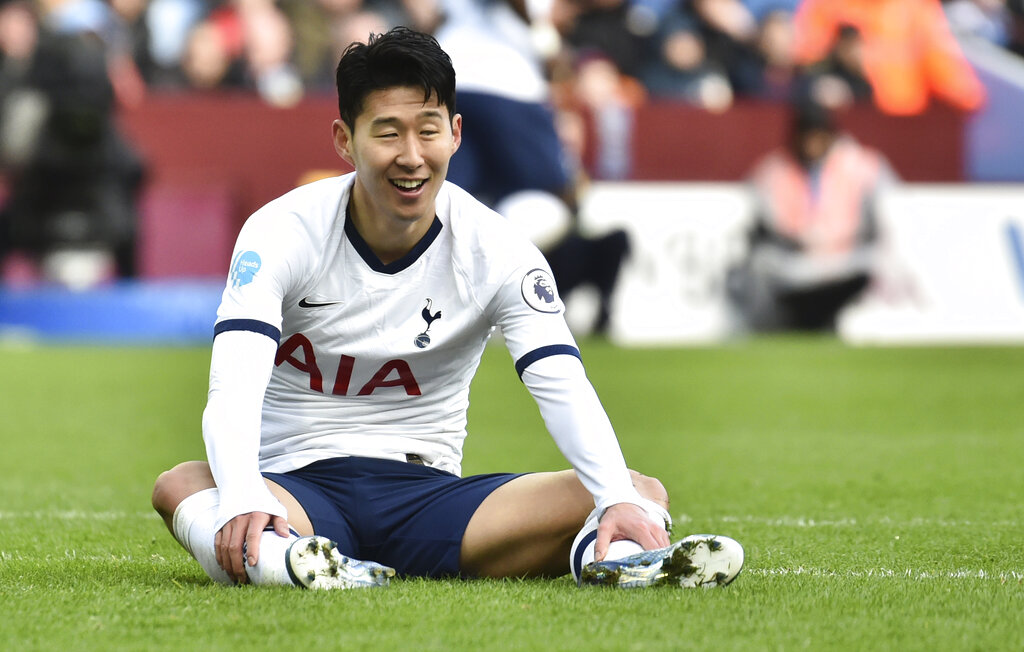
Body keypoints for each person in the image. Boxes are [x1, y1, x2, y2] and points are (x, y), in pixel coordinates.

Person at [150, 27, 743, 590]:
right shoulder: (281, 231)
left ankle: (614, 559)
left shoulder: (497, 247)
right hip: (297, 493)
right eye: (387, 132)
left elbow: (560, 379)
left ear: (456, 133)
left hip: (430, 500)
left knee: (638, 489)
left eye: (427, 130)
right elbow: (233, 385)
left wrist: (614, 496)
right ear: (343, 140)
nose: (411, 155)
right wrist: (246, 494)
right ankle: (291, 558)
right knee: (183, 484)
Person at [728, 101, 897, 331]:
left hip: (847, 258)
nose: (812, 144)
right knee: (762, 263)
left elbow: (888, 210)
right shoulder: (775, 169)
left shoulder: (860, 165)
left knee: (877, 261)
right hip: (791, 260)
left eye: (818, 136)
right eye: (807, 136)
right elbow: (763, 222)